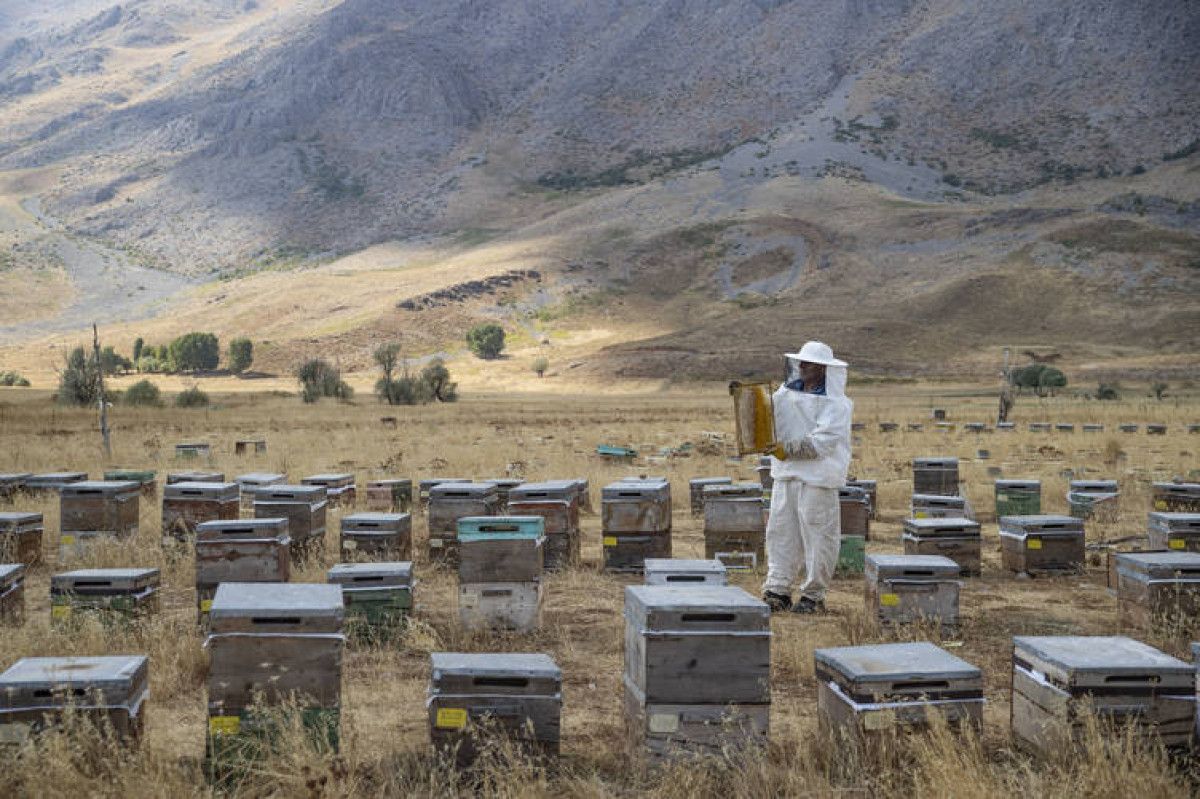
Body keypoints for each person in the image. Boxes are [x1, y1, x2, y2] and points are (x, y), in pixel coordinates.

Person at [762, 341, 853, 614]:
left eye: (808, 363)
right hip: (785, 475)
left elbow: (823, 443)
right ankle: (778, 590)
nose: (801, 367)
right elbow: (765, 414)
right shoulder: (785, 394)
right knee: (780, 533)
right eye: (800, 362)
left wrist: (785, 449)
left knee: (818, 537)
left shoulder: (838, 404)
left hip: (818, 479)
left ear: (823, 369)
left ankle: (814, 595)